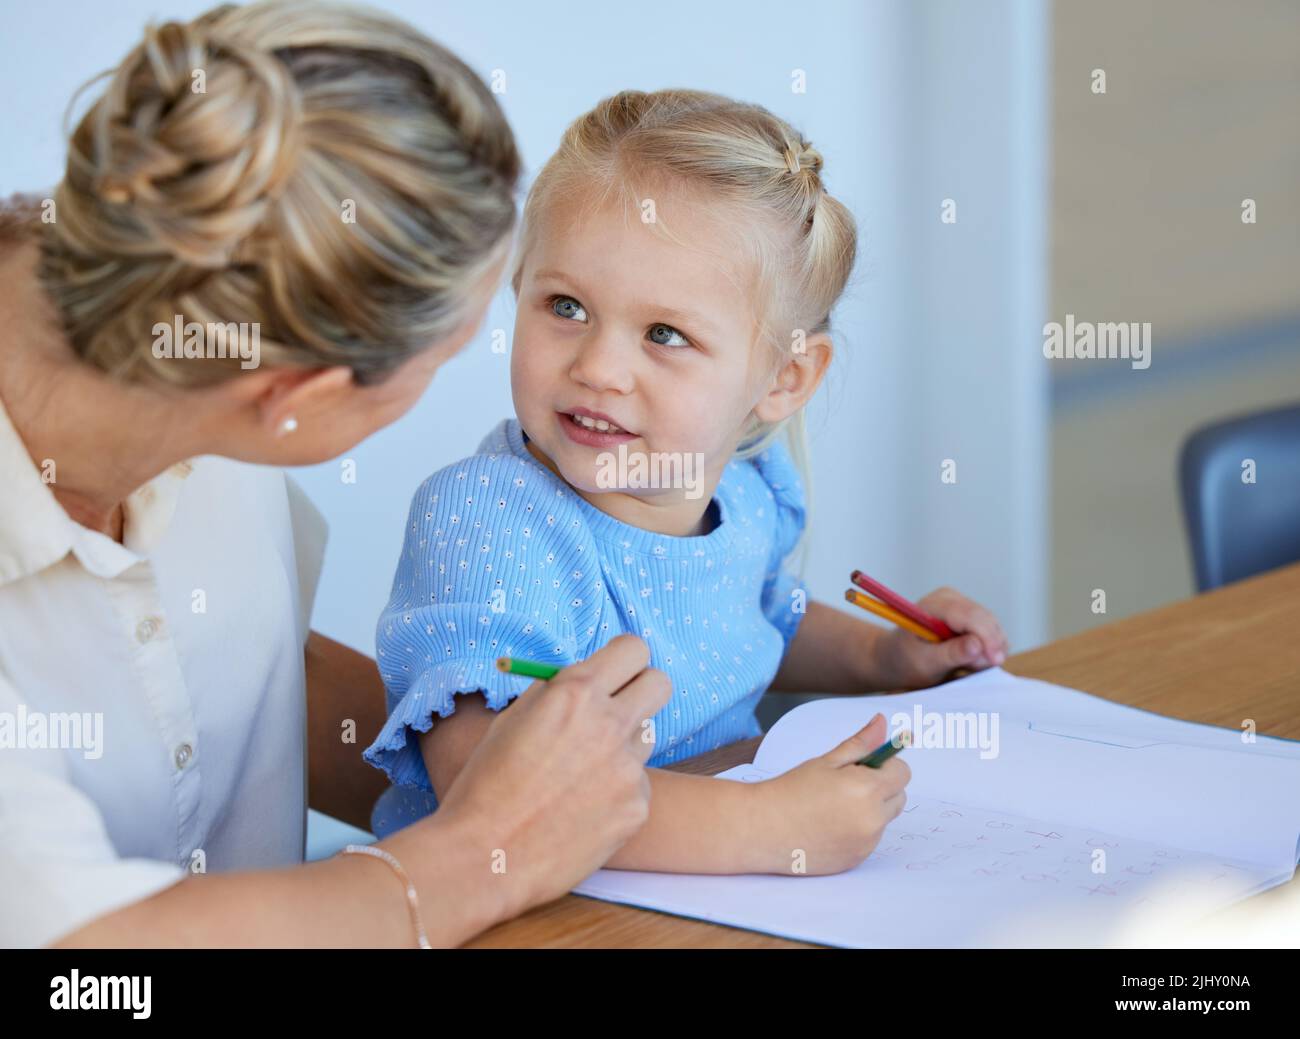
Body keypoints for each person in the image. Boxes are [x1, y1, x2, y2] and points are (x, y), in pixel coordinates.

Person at [0, 0, 669, 949]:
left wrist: (516, 766)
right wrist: (487, 849)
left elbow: (247, 669)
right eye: (437, 358)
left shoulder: (203, 314)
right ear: (292, 392)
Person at [362, 90, 1008, 874]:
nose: (597, 367)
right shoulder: (488, 523)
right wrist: (764, 825)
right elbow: (492, 791)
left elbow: (758, 614)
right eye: (565, 305)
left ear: (783, 377)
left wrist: (884, 658)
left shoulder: (742, 490)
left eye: (664, 333)